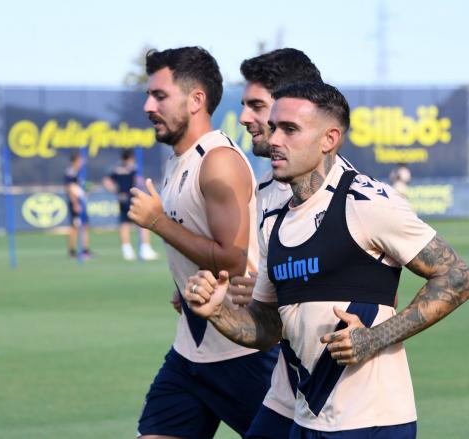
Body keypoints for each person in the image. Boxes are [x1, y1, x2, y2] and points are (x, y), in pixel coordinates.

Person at [183, 82, 469, 438]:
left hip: (371, 422)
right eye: (274, 127)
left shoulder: (366, 203)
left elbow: (457, 277)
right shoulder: (274, 218)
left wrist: (374, 338)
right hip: (307, 418)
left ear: (329, 139)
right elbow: (267, 328)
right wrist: (217, 311)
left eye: (290, 129)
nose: (275, 139)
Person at [128, 46, 276, 439]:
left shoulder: (218, 161)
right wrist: (185, 284)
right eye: (149, 94)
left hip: (242, 354)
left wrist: (156, 221)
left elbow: (232, 257)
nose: (148, 105)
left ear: (196, 100)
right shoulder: (180, 159)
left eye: (159, 95)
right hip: (190, 353)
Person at [234, 48, 356, 439]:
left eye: (257, 106)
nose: (245, 118)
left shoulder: (356, 199)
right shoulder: (269, 190)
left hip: (338, 403)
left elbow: (370, 294)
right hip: (285, 391)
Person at [102, 149, 158, 261]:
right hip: (133, 198)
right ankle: (145, 248)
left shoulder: (116, 169)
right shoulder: (134, 168)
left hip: (122, 198)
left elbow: (106, 181)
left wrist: (115, 190)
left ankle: (127, 250)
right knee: (144, 222)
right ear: (131, 157)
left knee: (124, 224)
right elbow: (139, 181)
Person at [64, 151, 91, 259]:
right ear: (75, 161)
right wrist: (75, 204)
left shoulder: (78, 172)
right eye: (80, 160)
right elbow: (70, 189)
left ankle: (85, 250)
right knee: (75, 227)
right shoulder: (71, 172)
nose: (82, 162)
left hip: (80, 202)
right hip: (76, 203)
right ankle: (72, 251)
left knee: (84, 226)